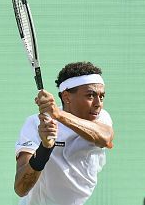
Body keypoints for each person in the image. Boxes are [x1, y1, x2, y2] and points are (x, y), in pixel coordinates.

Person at [14, 61, 114, 205]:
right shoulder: (35, 123)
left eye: (102, 96)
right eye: (90, 96)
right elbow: (21, 188)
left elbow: (105, 138)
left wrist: (58, 115)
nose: (98, 103)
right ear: (66, 97)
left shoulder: (101, 118)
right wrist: (45, 148)